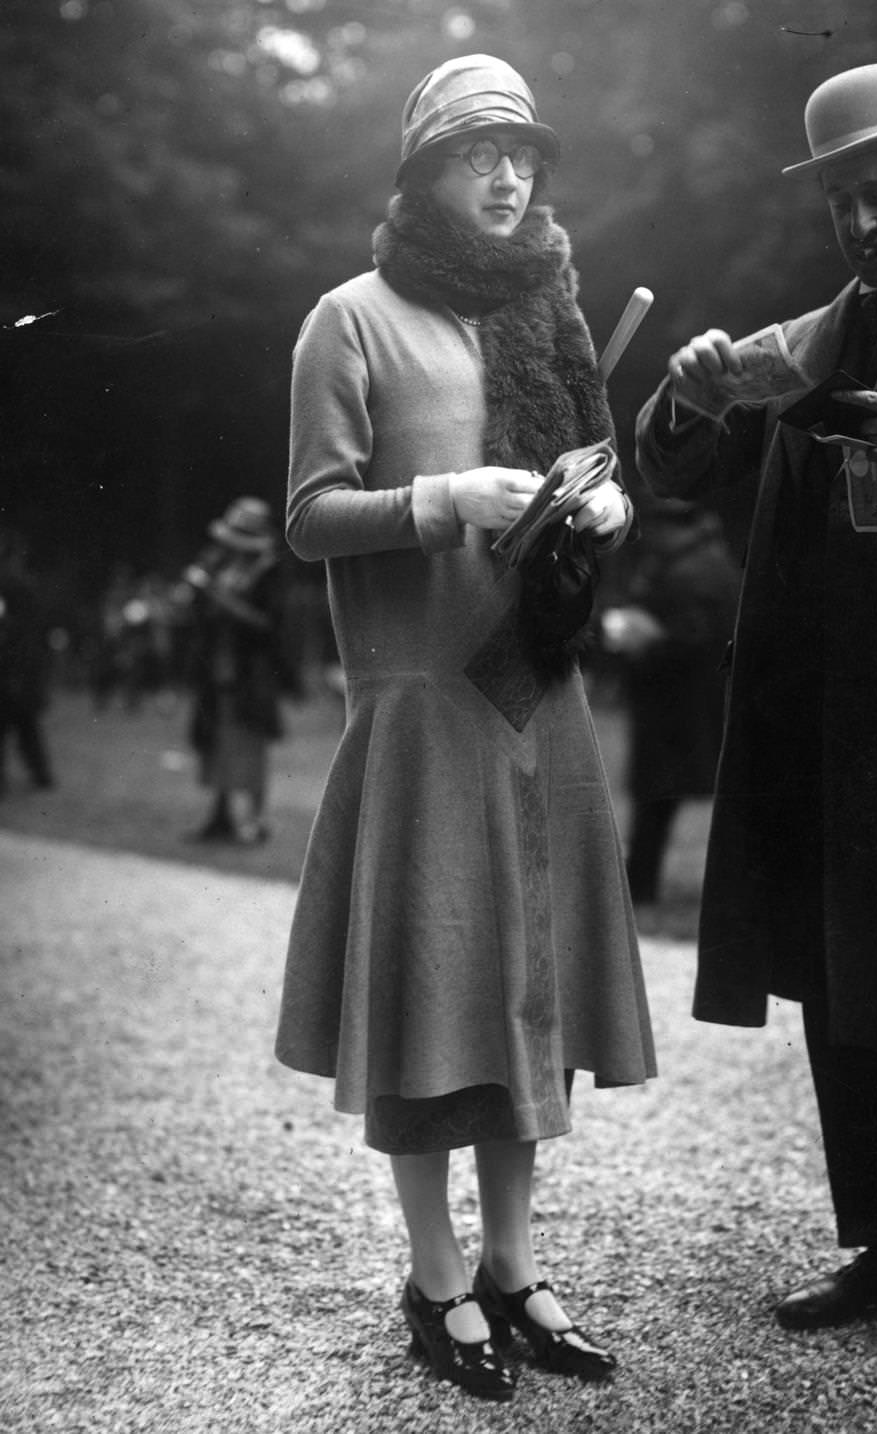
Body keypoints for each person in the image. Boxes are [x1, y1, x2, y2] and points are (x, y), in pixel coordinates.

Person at [274, 54, 656, 1404]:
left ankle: (511, 1263)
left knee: (524, 997)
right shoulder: (349, 319)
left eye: (522, 155)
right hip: (421, 706)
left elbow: (592, 473)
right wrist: (443, 499)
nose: (508, 176)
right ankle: (433, 1276)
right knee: (432, 991)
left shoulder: (547, 313)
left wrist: (599, 510)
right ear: (422, 173)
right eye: (477, 154)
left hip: (531, 697)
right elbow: (311, 515)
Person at [635, 62, 877, 1391]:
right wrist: (684, 395)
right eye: (838, 202)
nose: (859, 222)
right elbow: (681, 469)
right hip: (828, 722)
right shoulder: (807, 336)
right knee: (845, 990)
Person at [601, 499, 739, 916]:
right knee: (666, 797)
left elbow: (693, 638)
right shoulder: (707, 558)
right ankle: (643, 882)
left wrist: (643, 638)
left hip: (680, 707)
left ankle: (640, 884)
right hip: (691, 705)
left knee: (657, 795)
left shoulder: (688, 569)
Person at [182, 496, 290, 845]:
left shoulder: (268, 572)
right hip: (217, 668)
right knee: (217, 741)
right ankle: (220, 816)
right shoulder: (221, 566)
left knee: (250, 744)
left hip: (252, 672)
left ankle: (256, 821)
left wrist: (218, 597)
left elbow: (268, 624)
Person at [0, 528, 55, 795]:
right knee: (26, 725)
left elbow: (18, 630)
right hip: (19, 666)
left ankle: (40, 773)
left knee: (20, 724)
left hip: (14, 667)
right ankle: (41, 773)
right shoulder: (20, 585)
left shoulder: (13, 586)